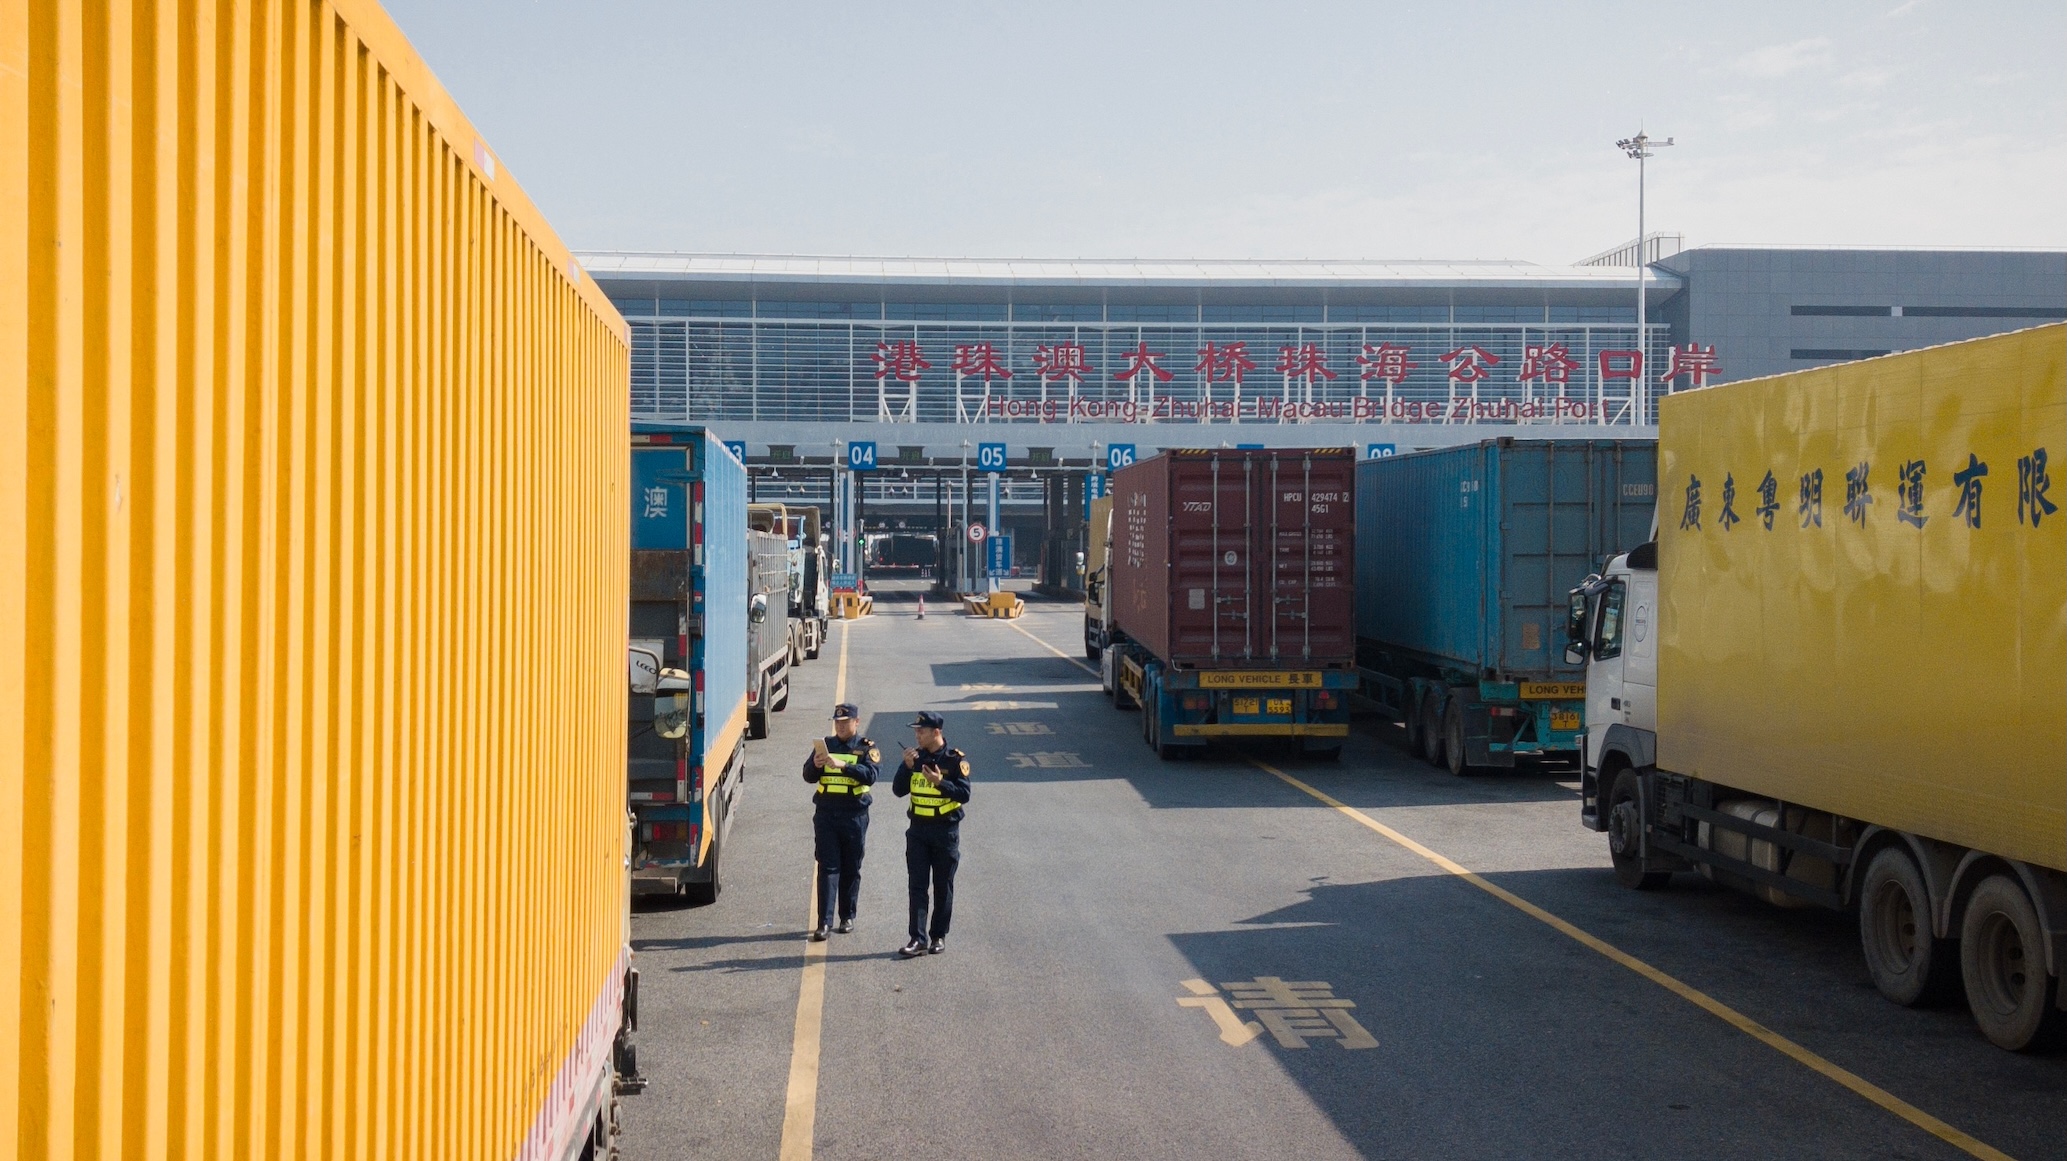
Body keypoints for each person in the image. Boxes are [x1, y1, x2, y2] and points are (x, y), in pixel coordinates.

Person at [893, 711, 971, 957]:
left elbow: (964, 794)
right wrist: (906, 767)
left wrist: (940, 783)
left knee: (942, 886)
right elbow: (897, 790)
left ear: (936, 732)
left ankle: (938, 936)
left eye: (921, 731)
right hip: (917, 831)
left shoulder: (954, 760)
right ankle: (917, 938)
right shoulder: (915, 758)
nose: (917, 735)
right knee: (917, 886)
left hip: (945, 831)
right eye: (915, 731)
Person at [803, 703, 881, 941]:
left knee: (851, 867)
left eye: (846, 722)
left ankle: (847, 916)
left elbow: (871, 775)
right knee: (828, 867)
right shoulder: (826, 746)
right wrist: (815, 765)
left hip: (854, 815)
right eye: (838, 722)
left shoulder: (866, 748)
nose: (841, 726)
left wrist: (844, 766)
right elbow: (807, 776)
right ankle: (824, 923)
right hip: (826, 814)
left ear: (856, 722)